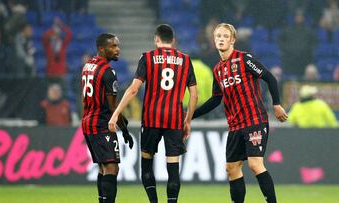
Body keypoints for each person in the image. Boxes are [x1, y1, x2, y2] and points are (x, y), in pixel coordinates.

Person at [192, 23, 287, 203]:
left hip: (254, 120)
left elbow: (269, 77)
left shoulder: (244, 59)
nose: (221, 39)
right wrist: (190, 115)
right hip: (235, 125)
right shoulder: (217, 69)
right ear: (214, 40)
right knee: (231, 168)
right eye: (218, 36)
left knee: (254, 163)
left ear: (233, 40)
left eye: (225, 36)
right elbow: (215, 99)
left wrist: (276, 104)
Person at [108, 24, 198, 203]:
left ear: (156, 39)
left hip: (151, 119)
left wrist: (116, 113)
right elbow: (194, 94)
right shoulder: (185, 60)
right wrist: (187, 120)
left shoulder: (147, 58)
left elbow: (134, 89)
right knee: (173, 167)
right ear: (172, 40)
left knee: (147, 165)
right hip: (174, 120)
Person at [81, 33, 133, 203]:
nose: (117, 50)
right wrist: (124, 130)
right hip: (101, 123)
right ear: (101, 49)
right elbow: (112, 108)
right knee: (112, 167)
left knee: (103, 167)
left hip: (88, 122)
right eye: (113, 46)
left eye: (118, 46)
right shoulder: (108, 72)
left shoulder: (88, 66)